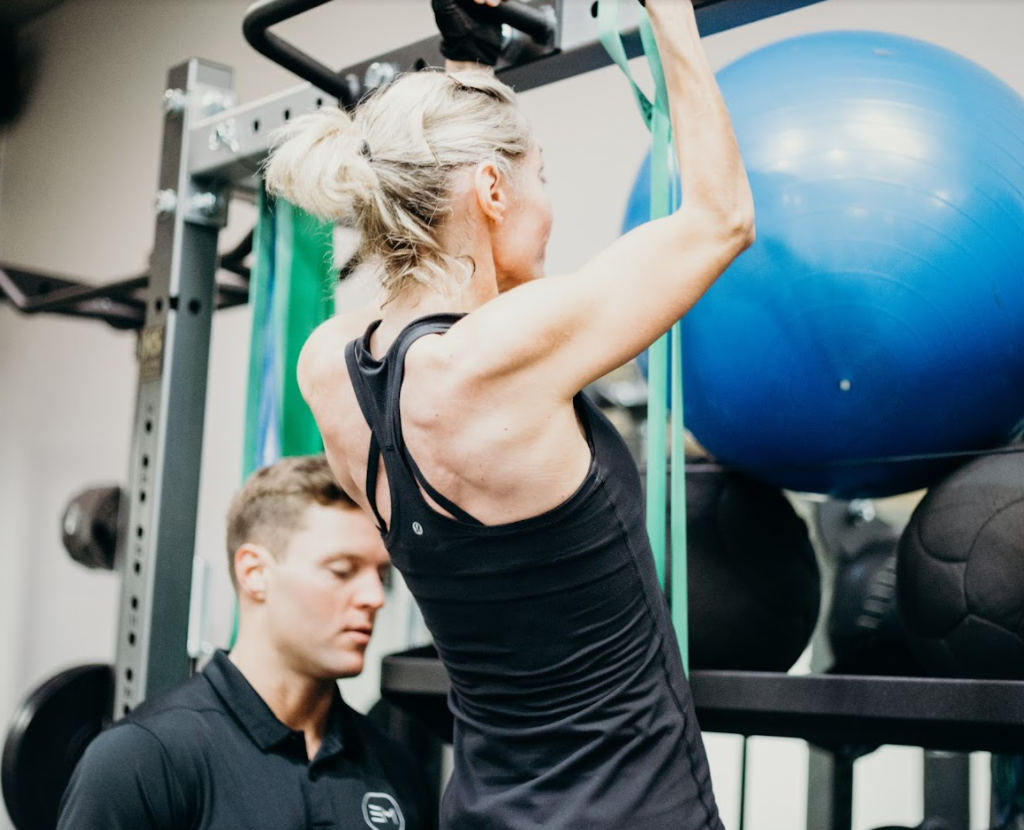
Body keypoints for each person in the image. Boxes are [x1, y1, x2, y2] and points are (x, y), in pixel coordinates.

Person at [265, 0, 753, 826]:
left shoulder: (332, 371)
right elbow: (721, 218)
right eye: (542, 175)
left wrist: (472, 69)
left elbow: (436, 281)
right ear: (491, 187)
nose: (548, 201)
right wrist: (667, 12)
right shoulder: (499, 360)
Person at [57, 454, 435, 830]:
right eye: (342, 571)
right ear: (255, 574)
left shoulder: (397, 773)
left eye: (381, 575)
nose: (374, 597)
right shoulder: (143, 760)